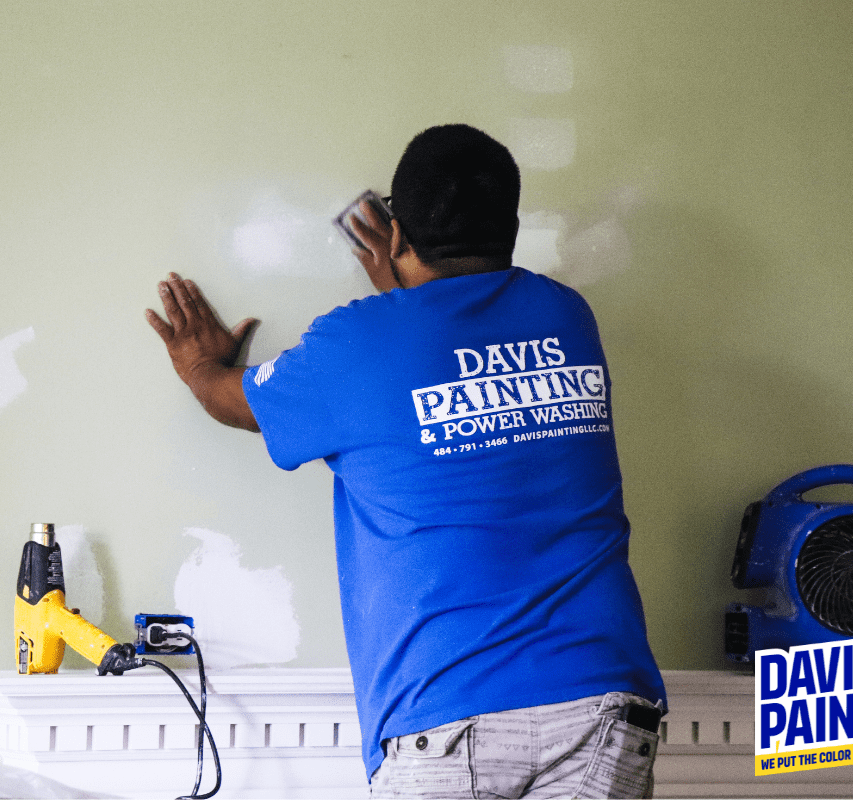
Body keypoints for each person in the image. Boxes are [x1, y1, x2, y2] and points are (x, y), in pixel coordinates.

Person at [146, 124, 666, 799]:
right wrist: (407, 291)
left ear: (396, 235)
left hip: (447, 715)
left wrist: (198, 364)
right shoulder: (568, 316)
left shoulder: (355, 343)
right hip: (603, 701)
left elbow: (230, 400)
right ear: (509, 227)